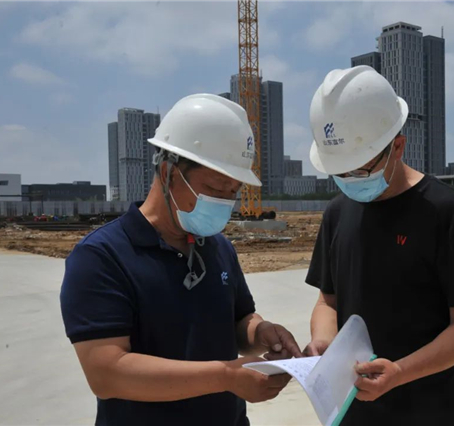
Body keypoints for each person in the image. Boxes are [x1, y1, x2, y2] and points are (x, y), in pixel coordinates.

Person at [60, 94, 302, 426]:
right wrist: (225, 376)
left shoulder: (219, 248)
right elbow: (107, 372)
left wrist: (261, 332)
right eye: (215, 188)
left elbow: (238, 321)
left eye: (233, 192)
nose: (225, 201)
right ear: (168, 172)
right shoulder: (102, 256)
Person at [303, 66, 454, 425]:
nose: (348, 180)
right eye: (339, 172)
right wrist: (325, 341)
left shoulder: (446, 212)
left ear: (398, 147)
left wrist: (401, 372)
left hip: (433, 414)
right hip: (353, 414)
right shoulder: (337, 213)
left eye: (359, 170)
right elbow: (328, 301)